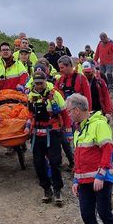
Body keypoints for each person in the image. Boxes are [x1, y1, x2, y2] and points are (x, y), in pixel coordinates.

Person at [67, 93, 113, 224]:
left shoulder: (99, 125)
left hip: (101, 179)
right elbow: (78, 159)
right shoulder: (79, 130)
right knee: (87, 214)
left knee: (104, 212)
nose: (68, 114)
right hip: (84, 182)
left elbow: (108, 150)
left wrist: (101, 174)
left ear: (76, 110)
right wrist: (76, 180)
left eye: (69, 111)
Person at [26, 71, 67, 205]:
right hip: (37, 134)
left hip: (52, 133)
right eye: (36, 83)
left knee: (55, 163)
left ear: (45, 82)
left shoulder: (55, 95)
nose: (38, 86)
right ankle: (46, 189)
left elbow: (64, 113)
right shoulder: (31, 96)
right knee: (38, 164)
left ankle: (57, 190)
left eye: (41, 83)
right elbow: (30, 114)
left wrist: (68, 132)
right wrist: (27, 127)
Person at [55, 55, 91, 170]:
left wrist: (86, 117)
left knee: (79, 141)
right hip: (64, 116)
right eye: (59, 68)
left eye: (62, 67)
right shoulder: (60, 80)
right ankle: (72, 162)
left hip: (78, 117)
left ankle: (81, 164)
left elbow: (87, 99)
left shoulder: (81, 78)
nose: (60, 70)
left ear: (69, 66)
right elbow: (55, 95)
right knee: (65, 141)